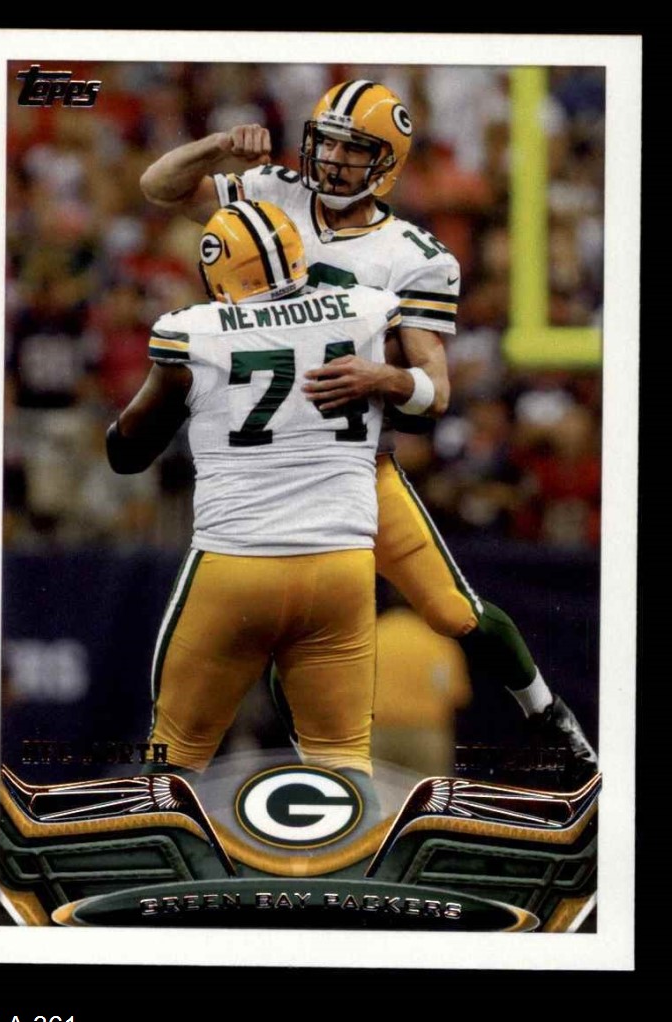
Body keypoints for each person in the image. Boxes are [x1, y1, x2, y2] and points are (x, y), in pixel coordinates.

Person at [139, 79, 598, 788]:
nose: (330, 161)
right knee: (286, 651)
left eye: (351, 150)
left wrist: (380, 377)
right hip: (262, 475)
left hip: (351, 472)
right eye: (324, 143)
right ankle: (306, 792)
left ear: (386, 163)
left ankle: (548, 713)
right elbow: (158, 186)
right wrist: (216, 146)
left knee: (453, 609)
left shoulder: (413, 255)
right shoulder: (274, 191)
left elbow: (435, 392)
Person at [107, 199, 406, 783]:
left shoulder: (192, 333)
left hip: (236, 563)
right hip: (341, 563)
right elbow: (412, 403)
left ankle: (167, 846)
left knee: (173, 762)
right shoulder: (367, 310)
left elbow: (127, 451)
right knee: (344, 764)